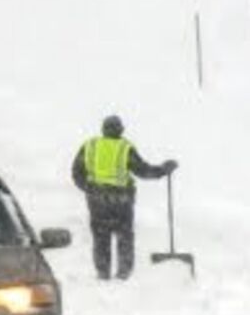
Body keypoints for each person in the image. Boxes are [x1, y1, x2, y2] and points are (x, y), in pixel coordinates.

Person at [70, 115, 178, 280]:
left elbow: (76, 172)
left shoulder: (90, 145)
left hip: (97, 201)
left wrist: (89, 189)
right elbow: (143, 171)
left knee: (100, 238)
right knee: (124, 236)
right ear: (120, 129)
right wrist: (164, 169)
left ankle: (102, 273)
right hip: (121, 201)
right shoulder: (124, 148)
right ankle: (123, 274)